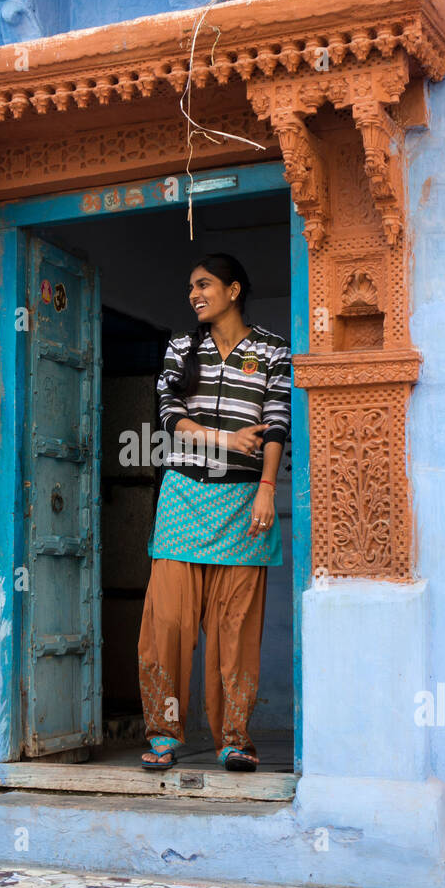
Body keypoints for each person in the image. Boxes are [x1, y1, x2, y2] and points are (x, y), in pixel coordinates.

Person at [137, 253, 291, 772]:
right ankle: (163, 732)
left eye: (203, 284)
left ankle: (234, 739)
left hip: (244, 499)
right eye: (189, 287)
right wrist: (225, 437)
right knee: (170, 623)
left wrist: (268, 488)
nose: (193, 294)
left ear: (233, 289)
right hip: (183, 496)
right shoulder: (182, 347)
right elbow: (169, 415)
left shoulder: (272, 350)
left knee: (235, 628)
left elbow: (275, 423)